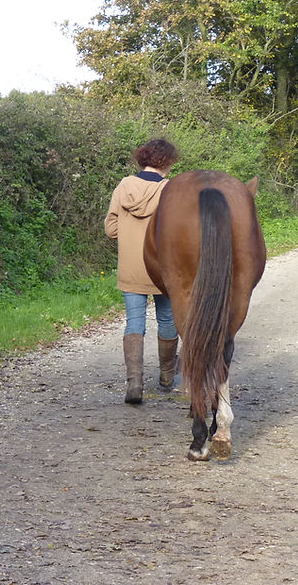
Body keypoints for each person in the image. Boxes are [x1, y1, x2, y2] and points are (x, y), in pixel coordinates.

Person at [105, 138, 180, 404]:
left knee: (134, 322)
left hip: (131, 267)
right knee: (168, 321)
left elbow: (111, 229)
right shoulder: (170, 190)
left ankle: (134, 384)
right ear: (167, 161)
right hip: (163, 267)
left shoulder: (124, 186)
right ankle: (167, 377)